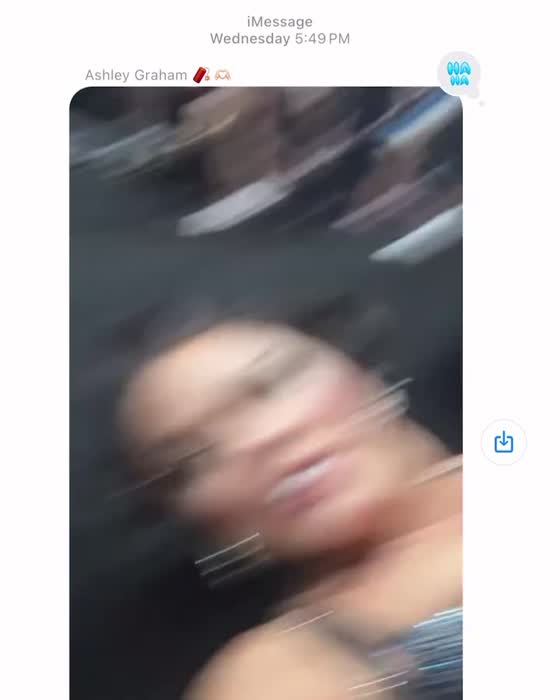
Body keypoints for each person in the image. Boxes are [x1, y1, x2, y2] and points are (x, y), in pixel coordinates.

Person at [114, 280, 462, 699]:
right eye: (191, 461)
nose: (253, 442)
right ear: (208, 529)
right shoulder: (266, 679)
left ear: (365, 376)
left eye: (270, 386)